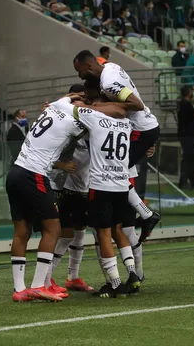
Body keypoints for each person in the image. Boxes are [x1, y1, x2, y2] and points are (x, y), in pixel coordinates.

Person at [73, 50, 161, 243]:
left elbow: (136, 104)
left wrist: (99, 108)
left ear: (88, 67)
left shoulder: (108, 83)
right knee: (117, 171)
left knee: (115, 171)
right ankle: (143, 214)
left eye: (79, 71)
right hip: (143, 129)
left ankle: (146, 215)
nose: (79, 76)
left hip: (140, 130)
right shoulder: (111, 68)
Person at [5, 93, 84, 302]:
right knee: (53, 228)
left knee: (21, 231)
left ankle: (20, 289)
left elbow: (65, 100)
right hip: (34, 175)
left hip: (15, 172)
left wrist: (69, 97)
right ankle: (39, 285)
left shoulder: (55, 107)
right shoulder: (74, 119)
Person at [73, 82, 140, 297]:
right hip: (122, 184)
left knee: (103, 234)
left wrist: (74, 99)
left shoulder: (93, 117)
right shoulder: (126, 124)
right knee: (118, 229)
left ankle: (115, 284)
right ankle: (132, 274)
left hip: (101, 185)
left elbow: (73, 110)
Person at [45, 84, 94, 296]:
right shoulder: (64, 127)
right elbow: (43, 153)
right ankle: (45, 278)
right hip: (60, 187)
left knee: (79, 234)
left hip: (84, 188)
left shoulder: (91, 124)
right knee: (59, 233)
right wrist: (60, 165)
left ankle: (73, 277)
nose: (84, 103)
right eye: (80, 99)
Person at [177, 85, 194, 190]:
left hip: (185, 134)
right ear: (188, 93)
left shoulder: (182, 104)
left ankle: (193, 181)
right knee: (188, 159)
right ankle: (184, 182)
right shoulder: (186, 104)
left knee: (190, 158)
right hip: (187, 135)